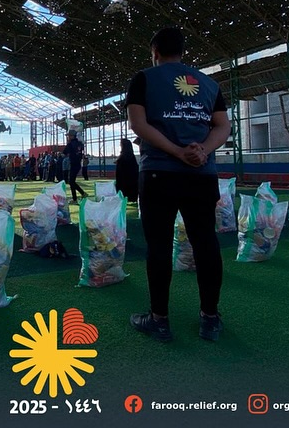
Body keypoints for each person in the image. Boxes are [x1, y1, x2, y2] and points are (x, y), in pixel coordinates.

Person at [126, 27, 231, 343]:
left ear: (155, 52)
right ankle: (210, 319)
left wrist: (176, 151)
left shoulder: (143, 79)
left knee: (158, 246)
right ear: (183, 52)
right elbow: (223, 126)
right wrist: (202, 151)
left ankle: (159, 320)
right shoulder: (209, 84)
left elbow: (138, 124)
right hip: (201, 174)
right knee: (206, 243)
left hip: (159, 173)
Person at [62, 130, 88, 202]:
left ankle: (80, 195)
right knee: (72, 181)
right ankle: (77, 197)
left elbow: (64, 152)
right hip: (78, 164)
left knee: (71, 181)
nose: (68, 137)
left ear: (72, 136)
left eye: (68, 136)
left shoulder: (70, 144)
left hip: (73, 164)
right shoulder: (79, 144)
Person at [115, 138, 139, 203]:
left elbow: (119, 173)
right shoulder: (132, 156)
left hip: (123, 182)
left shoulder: (122, 157)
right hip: (132, 182)